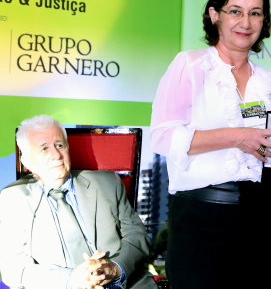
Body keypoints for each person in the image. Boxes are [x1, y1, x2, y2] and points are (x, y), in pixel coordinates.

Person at [150, 0, 271, 288]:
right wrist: (236, 137)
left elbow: (270, 148)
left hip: (261, 218)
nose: (246, 22)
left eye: (255, 13)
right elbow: (162, 136)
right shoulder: (190, 65)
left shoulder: (269, 81)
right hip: (202, 217)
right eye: (235, 11)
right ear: (215, 15)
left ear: (264, 21)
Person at [0, 114, 155, 289]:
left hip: (123, 284)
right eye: (44, 149)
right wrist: (72, 279)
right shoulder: (13, 199)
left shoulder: (108, 183)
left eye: (60, 145)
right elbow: (14, 269)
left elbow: (137, 234)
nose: (56, 155)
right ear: (26, 161)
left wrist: (116, 268)